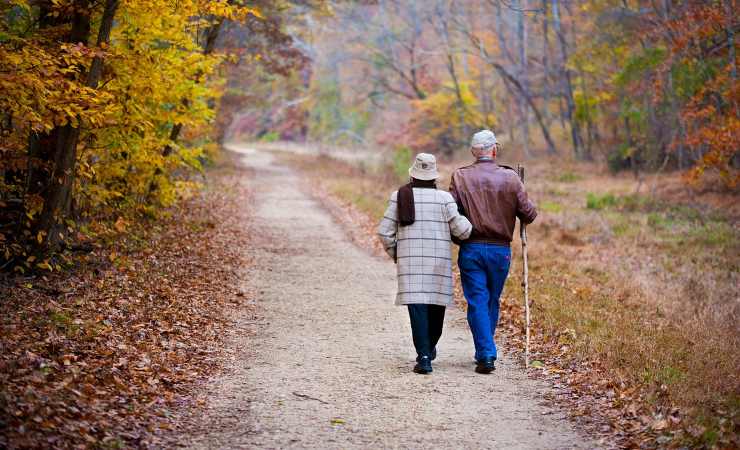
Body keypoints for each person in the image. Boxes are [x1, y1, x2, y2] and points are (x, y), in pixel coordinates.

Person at [450, 130, 538, 374]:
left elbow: (450, 212)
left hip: (471, 247)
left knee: (478, 300)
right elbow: (529, 214)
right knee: (490, 299)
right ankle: (486, 351)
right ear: (494, 150)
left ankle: (485, 350)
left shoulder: (460, 177)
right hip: (500, 251)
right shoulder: (511, 178)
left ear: (473, 152)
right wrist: (520, 194)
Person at [377, 153, 472, 374]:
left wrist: (397, 254)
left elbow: (384, 232)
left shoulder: (399, 197)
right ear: (434, 177)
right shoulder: (445, 199)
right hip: (438, 264)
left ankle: (424, 356)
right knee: (436, 311)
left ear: (413, 174)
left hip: (410, 265)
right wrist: (468, 219)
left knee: (417, 310)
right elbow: (463, 231)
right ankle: (427, 350)